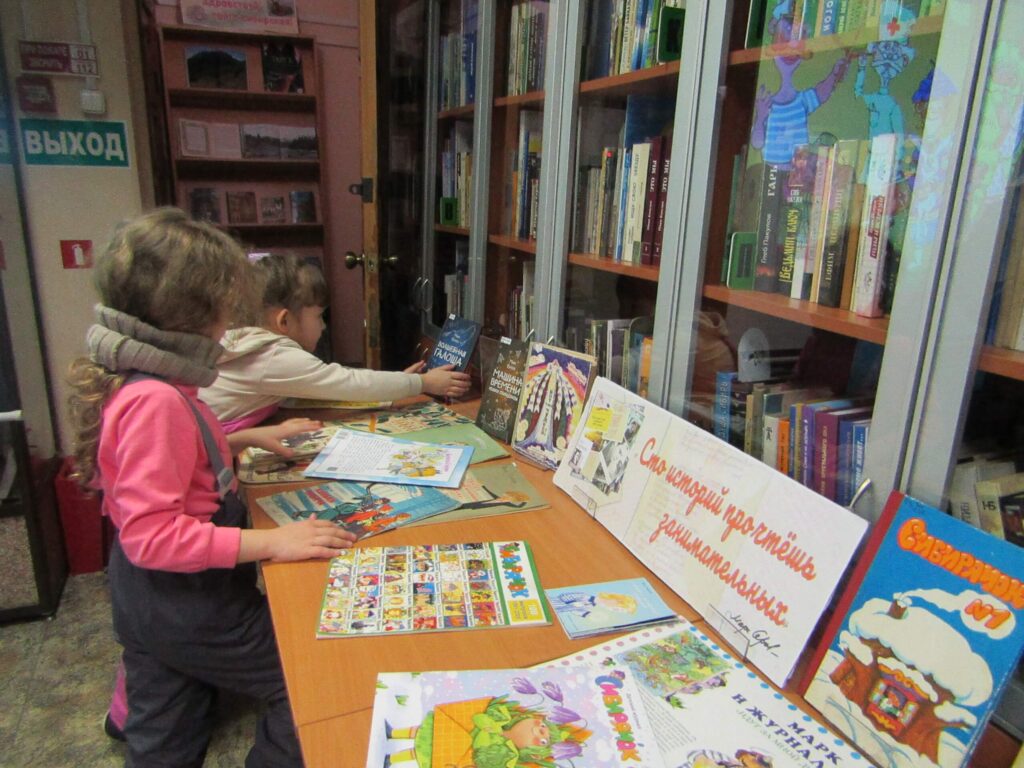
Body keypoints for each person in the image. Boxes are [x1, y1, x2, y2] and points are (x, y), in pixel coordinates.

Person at [67, 208, 358, 767]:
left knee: (164, 735)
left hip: (148, 600)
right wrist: (276, 541)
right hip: (185, 599)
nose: (231, 321)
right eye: (227, 306)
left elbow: (161, 468)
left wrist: (243, 437)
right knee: (306, 680)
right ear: (198, 311)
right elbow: (155, 537)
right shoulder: (156, 400)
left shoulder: (149, 379)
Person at [199, 253, 471, 431]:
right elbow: (347, 382)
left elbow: (329, 386)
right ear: (284, 321)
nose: (323, 326)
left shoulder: (244, 341)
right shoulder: (273, 356)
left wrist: (401, 382)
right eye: (319, 316)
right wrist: (423, 383)